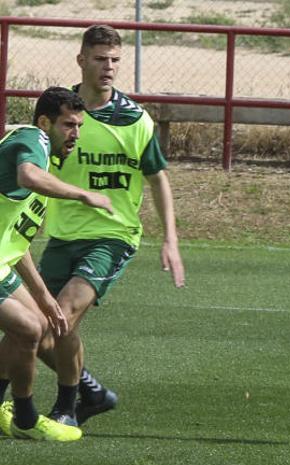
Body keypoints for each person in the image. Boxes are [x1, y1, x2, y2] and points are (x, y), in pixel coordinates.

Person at [35, 24, 185, 428]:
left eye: (116, 60)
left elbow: (158, 179)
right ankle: (90, 391)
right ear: (81, 59)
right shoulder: (60, 114)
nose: (109, 68)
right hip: (62, 235)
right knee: (31, 328)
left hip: (112, 237)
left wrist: (170, 239)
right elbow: (34, 169)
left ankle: (65, 408)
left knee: (62, 314)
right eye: (100, 59)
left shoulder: (136, 120)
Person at [0, 87, 114, 441]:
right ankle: (25, 418)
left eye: (79, 126)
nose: (75, 134)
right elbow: (28, 177)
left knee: (35, 323)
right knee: (30, 329)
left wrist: (44, 297)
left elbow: (16, 245)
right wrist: (82, 193)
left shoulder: (43, 160)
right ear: (46, 122)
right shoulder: (33, 139)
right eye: (68, 125)